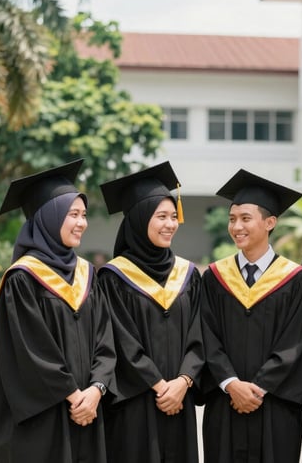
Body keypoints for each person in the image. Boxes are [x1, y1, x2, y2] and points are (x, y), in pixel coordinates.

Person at [0, 159, 116, 463]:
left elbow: (105, 341)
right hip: (43, 418)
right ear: (49, 217)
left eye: (83, 215)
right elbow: (31, 352)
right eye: (73, 214)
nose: (82, 222)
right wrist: (74, 396)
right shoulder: (22, 278)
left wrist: (96, 390)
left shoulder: (88, 274)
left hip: (89, 411)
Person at [200, 169, 302, 463]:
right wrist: (230, 384)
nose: (237, 226)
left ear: (270, 222)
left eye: (245, 218)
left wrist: (258, 388)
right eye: (232, 219)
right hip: (225, 402)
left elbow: (294, 343)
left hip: (274, 404)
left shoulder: (295, 279)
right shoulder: (214, 277)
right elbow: (207, 335)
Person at [97, 161, 204, 463]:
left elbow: (200, 334)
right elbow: (119, 340)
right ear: (140, 219)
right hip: (135, 405)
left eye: (173, 216)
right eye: (161, 217)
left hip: (179, 401)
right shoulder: (113, 277)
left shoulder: (189, 275)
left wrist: (183, 382)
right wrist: (160, 387)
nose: (171, 224)